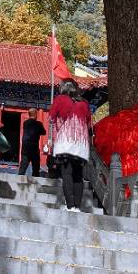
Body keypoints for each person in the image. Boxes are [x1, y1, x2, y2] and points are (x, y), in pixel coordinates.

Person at [48, 80, 92, 212]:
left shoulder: (60, 99)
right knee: (78, 175)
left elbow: (51, 118)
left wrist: (54, 133)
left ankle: (70, 205)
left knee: (66, 173)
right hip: (81, 143)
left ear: (62, 88)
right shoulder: (84, 102)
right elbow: (89, 123)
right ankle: (77, 207)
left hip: (66, 141)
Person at [20, 109, 46, 182]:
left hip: (25, 147)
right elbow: (44, 132)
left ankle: (19, 179)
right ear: (35, 114)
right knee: (35, 167)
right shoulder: (38, 124)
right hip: (34, 147)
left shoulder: (25, 123)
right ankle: (35, 182)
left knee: (23, 166)